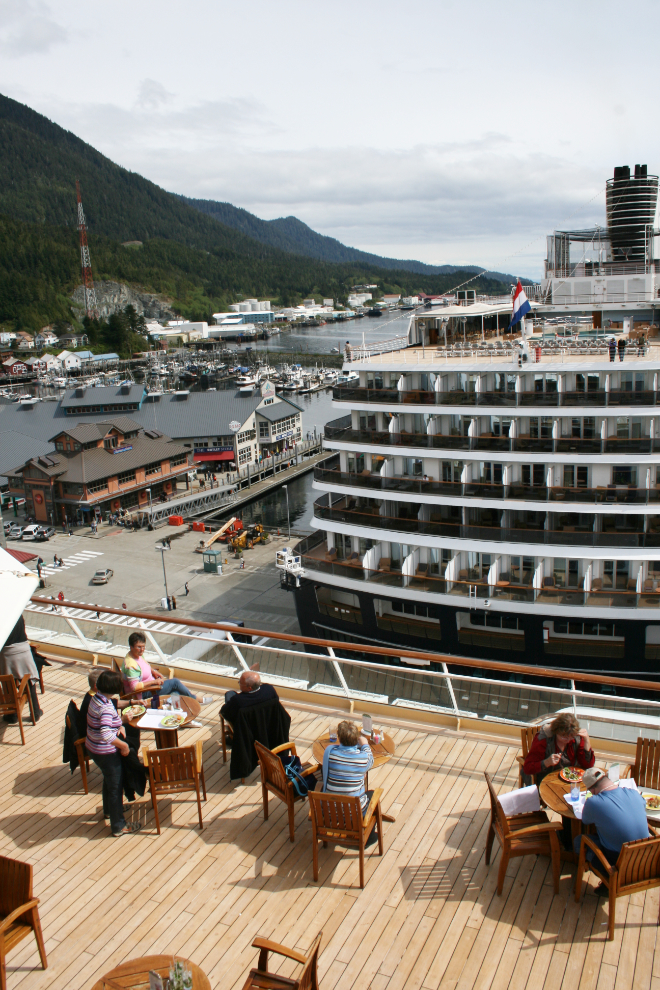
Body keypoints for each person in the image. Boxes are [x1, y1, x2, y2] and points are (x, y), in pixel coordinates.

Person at [85, 669, 142, 836]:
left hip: (93, 748)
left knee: (109, 779)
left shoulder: (96, 699)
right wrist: (123, 747)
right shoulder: (106, 708)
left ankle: (110, 810)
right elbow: (105, 734)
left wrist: (119, 724)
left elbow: (107, 721)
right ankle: (118, 826)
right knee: (115, 786)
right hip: (105, 752)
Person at [575, 768, 649, 881]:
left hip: (619, 861)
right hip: (645, 857)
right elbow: (642, 806)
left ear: (592, 790)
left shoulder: (594, 802)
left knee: (579, 841)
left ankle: (609, 878)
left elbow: (586, 821)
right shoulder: (634, 793)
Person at [120, 631, 206, 703]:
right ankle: (195, 699)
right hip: (144, 692)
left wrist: (153, 671)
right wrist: (154, 682)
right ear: (131, 647)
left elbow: (143, 666)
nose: (142, 649)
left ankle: (175, 708)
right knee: (175, 683)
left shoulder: (136, 655)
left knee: (176, 693)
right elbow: (134, 687)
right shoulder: (131, 665)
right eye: (139, 647)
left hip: (150, 687)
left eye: (143, 646)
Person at [523, 713, 595, 782]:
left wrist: (587, 741)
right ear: (556, 732)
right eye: (564, 737)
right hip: (547, 780)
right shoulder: (544, 740)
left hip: (571, 779)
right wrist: (546, 762)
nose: (568, 741)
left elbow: (588, 765)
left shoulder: (576, 737)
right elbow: (527, 768)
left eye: (571, 737)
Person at [0, 616, 43, 723]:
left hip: (7, 653)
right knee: (30, 681)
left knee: (8, 682)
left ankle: (12, 714)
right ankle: (35, 712)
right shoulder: (17, 613)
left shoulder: (5, 615)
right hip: (23, 650)